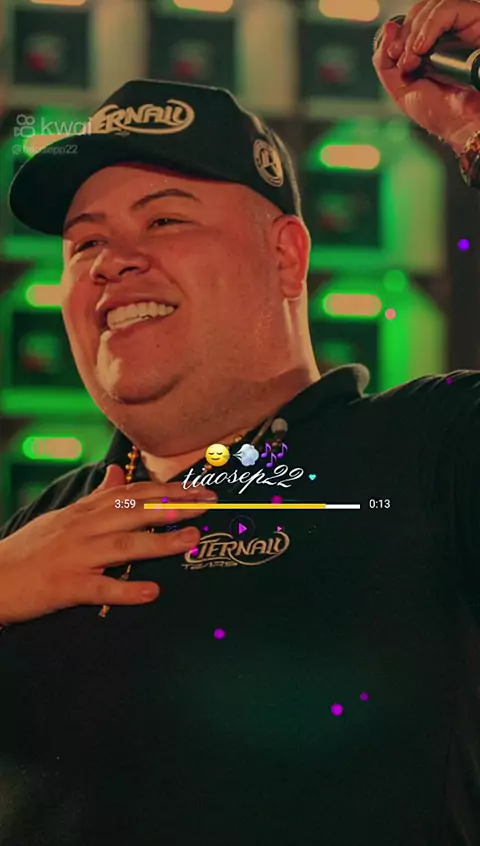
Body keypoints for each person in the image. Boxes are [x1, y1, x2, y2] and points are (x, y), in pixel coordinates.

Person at [0, 1, 479, 842]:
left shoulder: (432, 451)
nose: (112, 262)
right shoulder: (36, 534)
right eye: (84, 243)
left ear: (287, 255)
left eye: (165, 219)